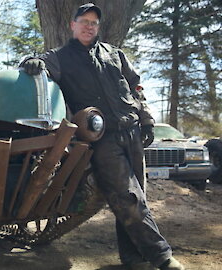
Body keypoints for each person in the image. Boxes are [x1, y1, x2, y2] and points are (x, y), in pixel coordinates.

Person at [21, 3, 184, 270]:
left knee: (136, 198)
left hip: (131, 131)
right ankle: (162, 256)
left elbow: (135, 89)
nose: (89, 26)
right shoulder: (60, 57)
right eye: (83, 21)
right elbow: (38, 67)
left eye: (94, 22)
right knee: (127, 197)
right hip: (102, 137)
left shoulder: (115, 54)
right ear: (72, 25)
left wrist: (147, 120)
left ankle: (133, 258)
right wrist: (30, 61)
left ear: (98, 27)